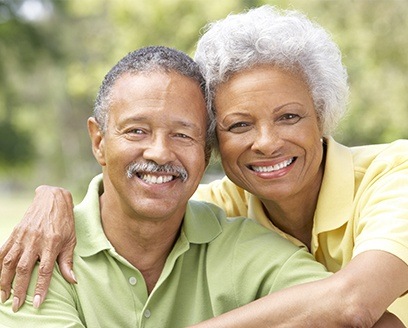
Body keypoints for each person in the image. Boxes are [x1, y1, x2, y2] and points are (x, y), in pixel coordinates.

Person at [1, 4, 408, 327]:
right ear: (214, 143)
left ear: (322, 117)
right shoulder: (215, 207)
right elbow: (144, 190)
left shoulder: (394, 174)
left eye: (289, 117)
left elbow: (355, 306)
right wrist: (52, 199)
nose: (266, 142)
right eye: (240, 124)